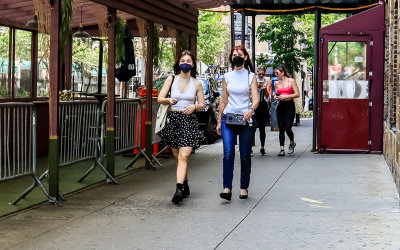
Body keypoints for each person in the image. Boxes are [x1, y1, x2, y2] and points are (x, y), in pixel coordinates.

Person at [157, 50, 206, 204]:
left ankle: (178, 190)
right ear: (179, 63)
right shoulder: (171, 80)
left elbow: (203, 104)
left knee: (184, 156)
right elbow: (160, 98)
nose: (185, 63)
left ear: (193, 64)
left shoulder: (196, 83)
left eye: (188, 61)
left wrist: (194, 107)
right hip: (173, 119)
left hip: (188, 120)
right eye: (183, 60)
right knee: (178, 157)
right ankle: (185, 183)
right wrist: (168, 100)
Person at [217, 45, 259, 200]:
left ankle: (243, 187)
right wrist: (218, 120)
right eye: (234, 54)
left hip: (246, 119)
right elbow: (224, 99)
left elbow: (256, 98)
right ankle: (227, 188)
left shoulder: (251, 76)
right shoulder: (227, 77)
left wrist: (252, 109)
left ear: (245, 57)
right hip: (228, 118)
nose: (236, 57)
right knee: (228, 153)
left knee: (245, 155)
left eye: (239, 54)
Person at [274, 65, 300, 156]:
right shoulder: (277, 83)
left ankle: (292, 142)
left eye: (277, 73)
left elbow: (297, 94)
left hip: (289, 105)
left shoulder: (291, 81)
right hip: (281, 106)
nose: (276, 75)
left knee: (288, 127)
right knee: (281, 128)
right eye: (275, 73)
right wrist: (276, 97)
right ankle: (282, 149)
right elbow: (275, 93)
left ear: (282, 72)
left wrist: (287, 96)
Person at [255, 65, 272, 156]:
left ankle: (262, 147)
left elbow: (267, 95)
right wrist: (256, 86)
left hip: (263, 104)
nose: (261, 76)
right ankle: (249, 148)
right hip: (255, 103)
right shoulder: (253, 79)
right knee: (252, 127)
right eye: (259, 74)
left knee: (262, 127)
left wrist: (264, 88)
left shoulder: (267, 80)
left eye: (263, 74)